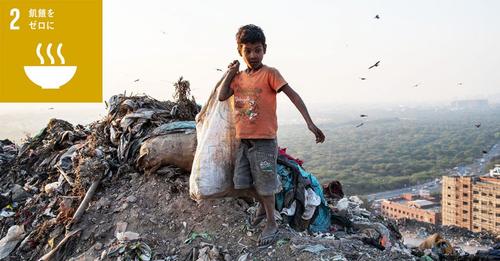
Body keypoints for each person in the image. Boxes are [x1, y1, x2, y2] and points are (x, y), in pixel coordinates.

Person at [218, 24, 325, 247]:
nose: (253, 55)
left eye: (257, 50)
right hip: (244, 140)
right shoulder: (238, 78)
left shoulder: (270, 74)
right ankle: (262, 208)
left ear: (265, 49)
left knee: (265, 183)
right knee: (242, 182)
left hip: (265, 141)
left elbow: (292, 95)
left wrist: (309, 122)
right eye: (247, 50)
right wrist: (230, 72)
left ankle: (271, 222)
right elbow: (221, 96)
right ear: (240, 51)